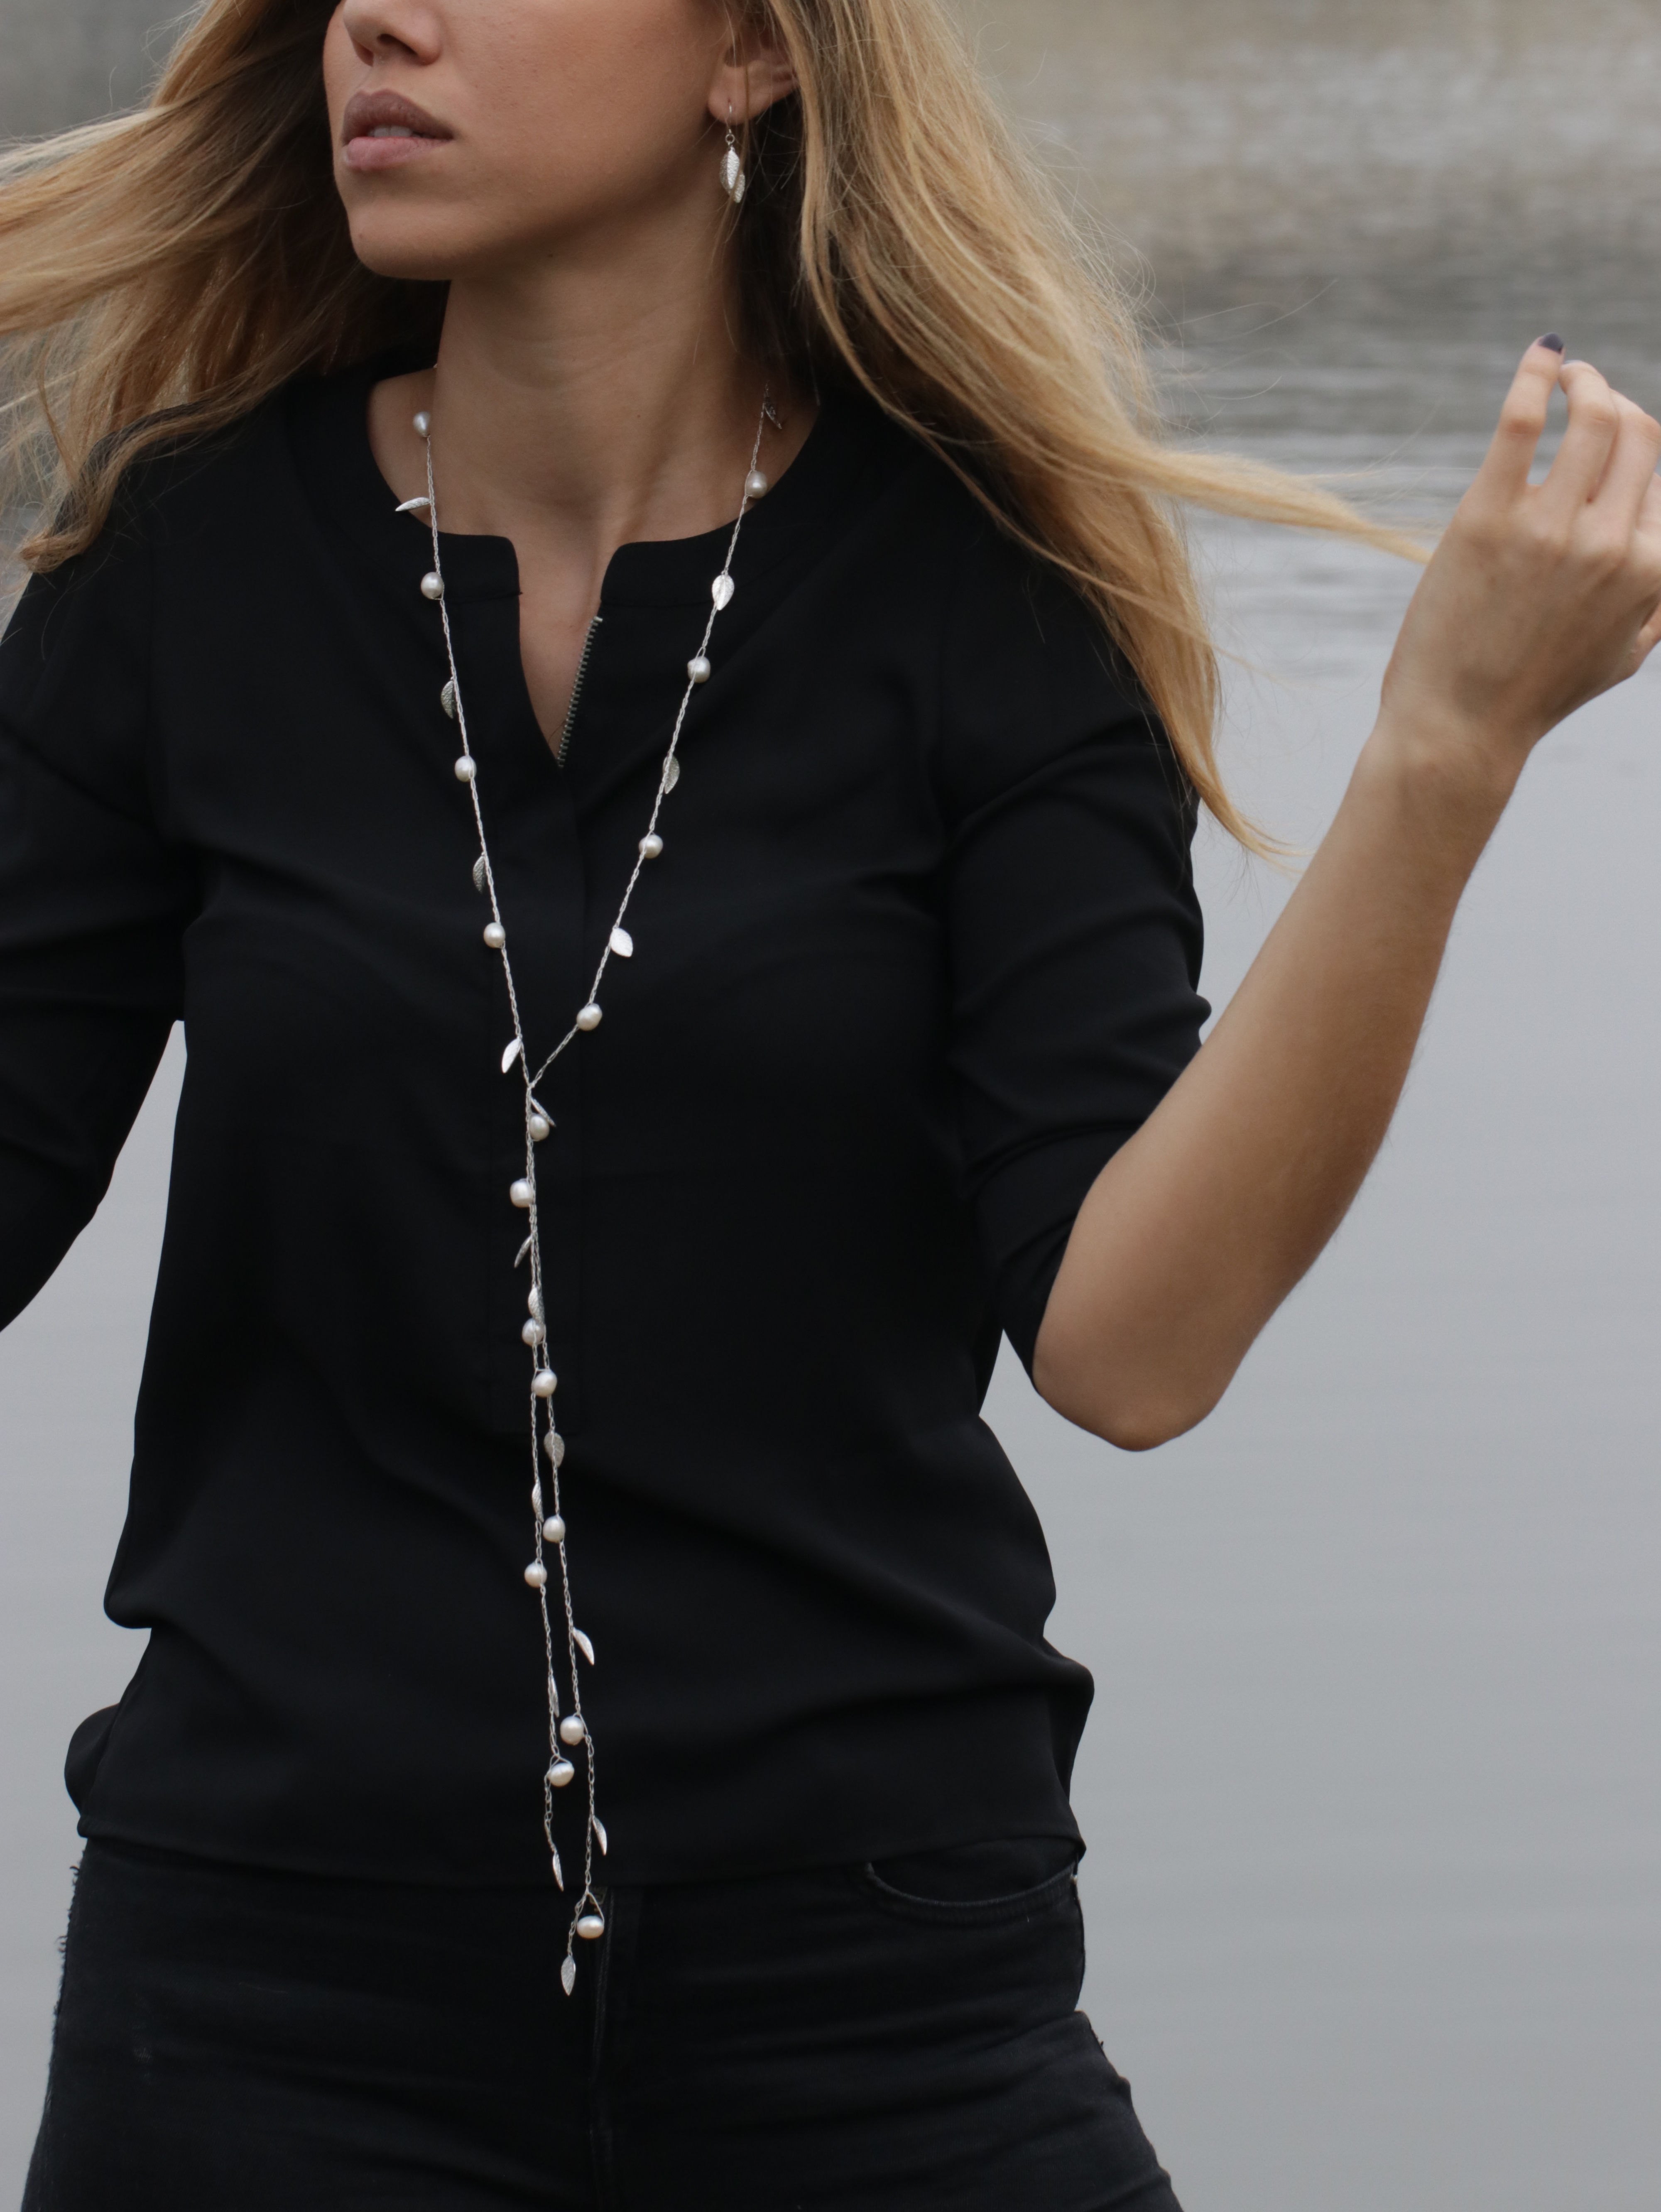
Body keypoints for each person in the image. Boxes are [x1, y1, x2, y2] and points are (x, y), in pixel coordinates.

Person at [2, 0, 1657, 2205]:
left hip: (883, 1996)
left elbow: (1133, 1346)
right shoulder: (180, 577)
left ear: (756, 53)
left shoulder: (989, 594)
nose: (382, 18)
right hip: (261, 2016)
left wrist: (1444, 755)